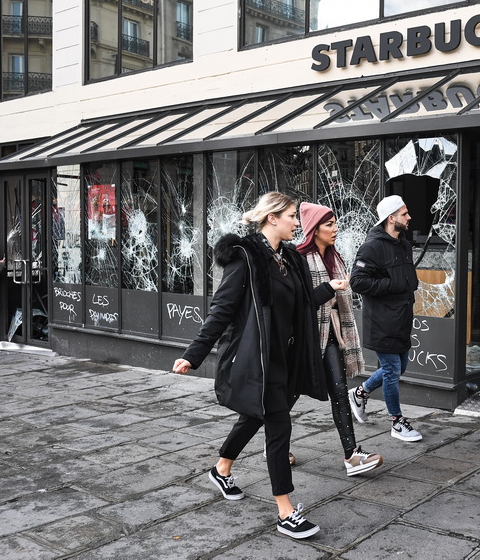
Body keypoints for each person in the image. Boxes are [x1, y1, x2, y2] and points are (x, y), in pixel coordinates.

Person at [171, 192, 346, 540]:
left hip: (286, 359)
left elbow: (301, 304)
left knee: (254, 416)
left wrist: (329, 288)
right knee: (279, 427)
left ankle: (222, 468)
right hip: (260, 360)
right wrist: (194, 353)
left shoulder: (290, 259)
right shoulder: (246, 258)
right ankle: (285, 511)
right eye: (292, 216)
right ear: (272, 218)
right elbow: (221, 310)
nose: (297, 223)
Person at [296, 202, 384, 476]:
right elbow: (299, 303)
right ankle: (273, 442)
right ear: (314, 229)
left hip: (332, 333)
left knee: (339, 391)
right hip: (304, 336)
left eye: (335, 223)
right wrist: (328, 289)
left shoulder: (336, 259)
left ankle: (351, 456)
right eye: (329, 224)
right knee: (288, 394)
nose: (335, 229)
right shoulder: (299, 260)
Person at [348, 195, 423, 442]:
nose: (409, 217)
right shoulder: (372, 247)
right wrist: (391, 284)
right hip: (381, 321)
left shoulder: (404, 245)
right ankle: (397, 422)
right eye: (404, 213)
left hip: (401, 319)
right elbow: (357, 282)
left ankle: (359, 393)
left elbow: (406, 280)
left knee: (399, 368)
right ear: (391, 218)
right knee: (392, 370)